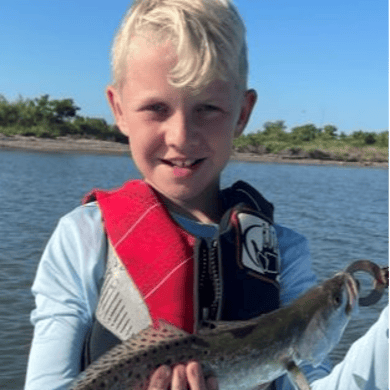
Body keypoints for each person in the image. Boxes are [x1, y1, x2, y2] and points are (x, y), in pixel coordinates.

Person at [25, 0, 360, 389]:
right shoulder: (82, 238)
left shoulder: (284, 251)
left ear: (242, 113)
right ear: (118, 109)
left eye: (207, 108)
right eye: (156, 108)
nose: (181, 136)